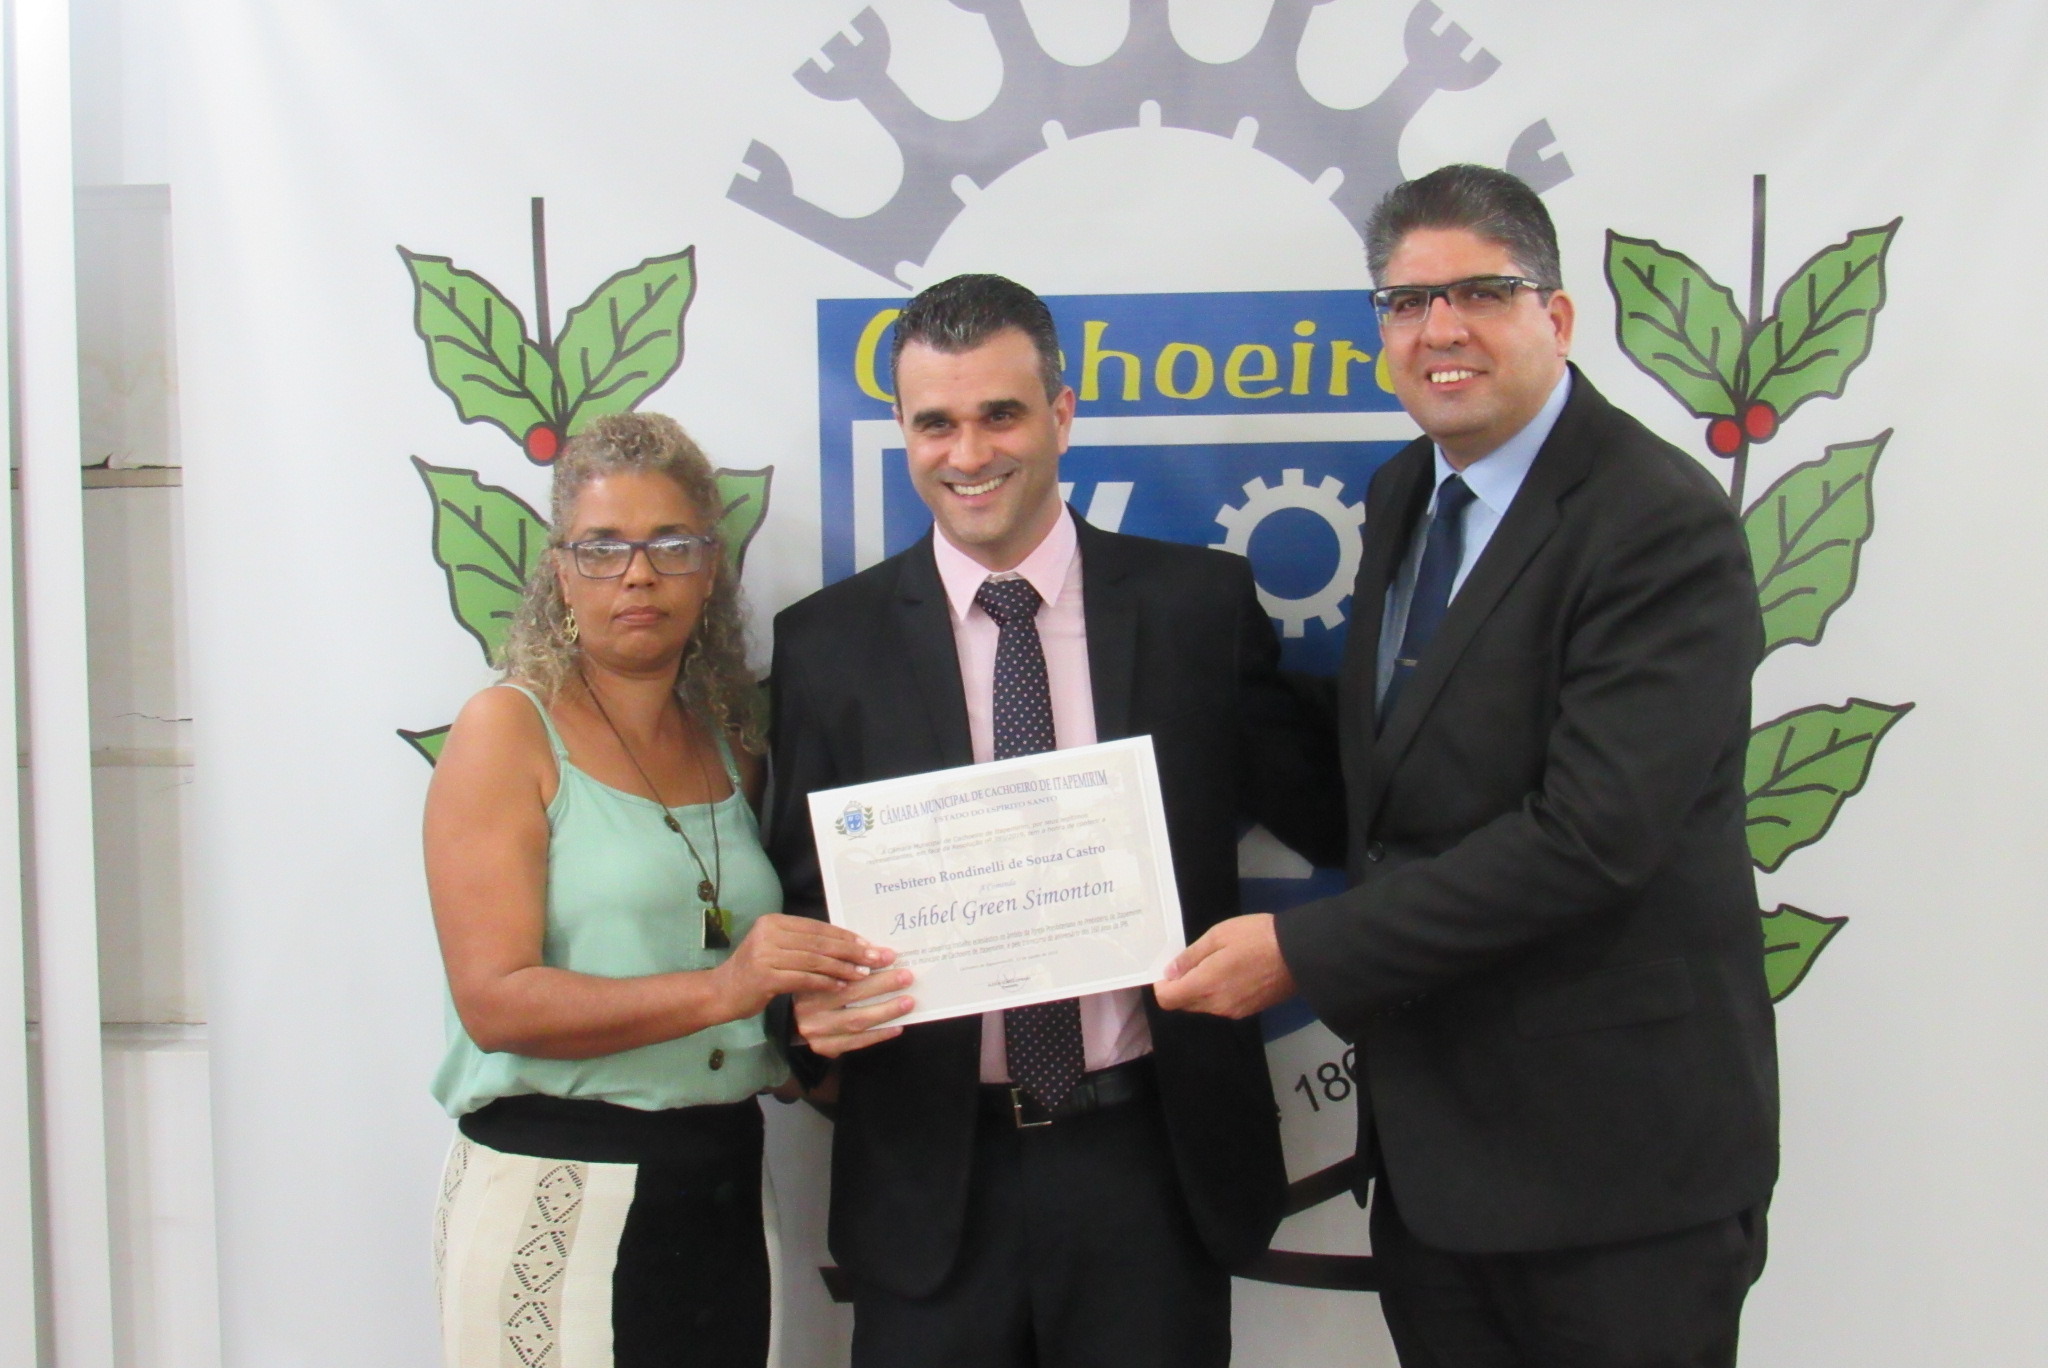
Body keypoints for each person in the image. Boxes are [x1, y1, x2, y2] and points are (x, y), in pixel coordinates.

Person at [1157, 164, 1779, 1366]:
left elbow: (1591, 837)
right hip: (1439, 1169)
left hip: (1618, 1178)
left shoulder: (1655, 521)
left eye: (1480, 293)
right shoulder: (1404, 492)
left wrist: (1300, 953)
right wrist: (1189, 675)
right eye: (1405, 302)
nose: (1438, 329)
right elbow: (1393, 785)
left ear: (1556, 314)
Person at [763, 274, 1339, 1368]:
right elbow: (797, 904)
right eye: (935, 422)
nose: (968, 453)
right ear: (903, 432)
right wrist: (802, 1016)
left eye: (1000, 414)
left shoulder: (1198, 610)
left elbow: (1335, 810)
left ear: (1062, 414)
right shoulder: (826, 647)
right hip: (931, 1183)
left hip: (1148, 1165)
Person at [423, 412, 887, 1368]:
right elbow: (494, 1003)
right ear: (561, 573)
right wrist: (727, 991)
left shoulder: (732, 744)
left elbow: (757, 989)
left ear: (710, 568)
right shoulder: (505, 731)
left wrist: (817, 1030)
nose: (638, 575)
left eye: (671, 545)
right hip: (556, 1182)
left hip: (723, 1182)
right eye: (603, 548)